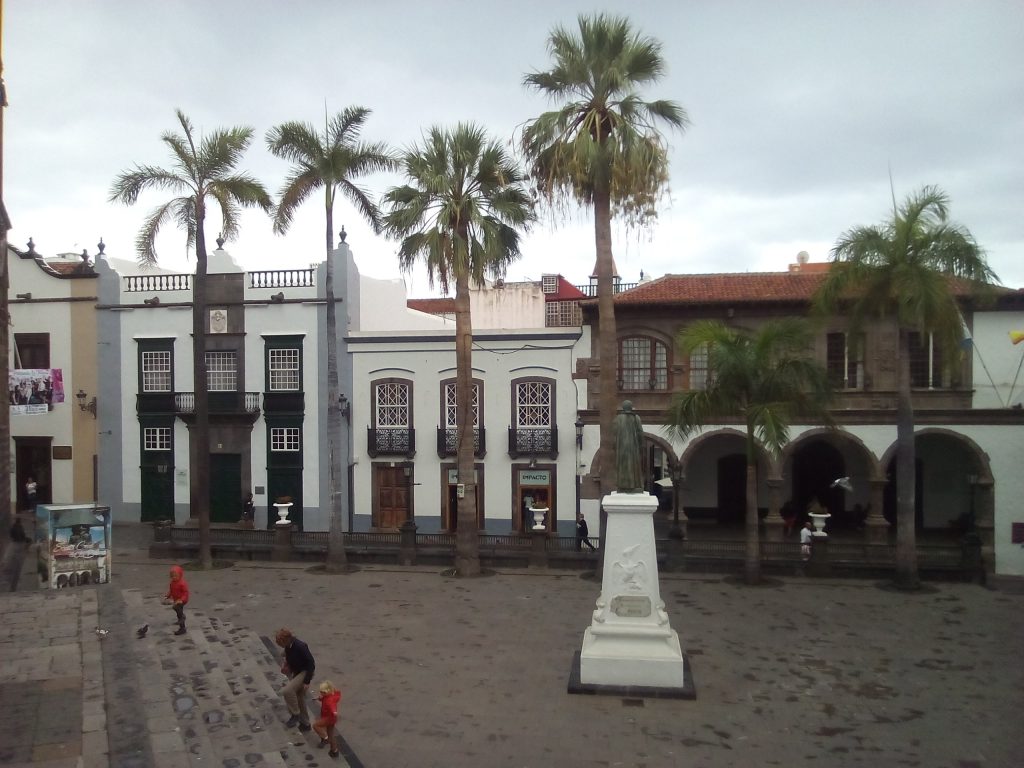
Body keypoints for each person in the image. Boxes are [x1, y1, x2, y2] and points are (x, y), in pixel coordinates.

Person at [275, 628, 315, 731]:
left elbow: (311, 663)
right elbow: (287, 655)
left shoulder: (300, 646)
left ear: (287, 639)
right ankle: (305, 723)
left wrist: (307, 681)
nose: (280, 645)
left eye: (280, 643)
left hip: (305, 672)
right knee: (299, 697)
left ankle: (295, 714)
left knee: (288, 691)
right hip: (297, 672)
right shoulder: (288, 646)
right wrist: (285, 665)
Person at [612, 401, 645, 493]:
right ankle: (635, 485)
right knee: (633, 465)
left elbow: (613, 434)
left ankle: (623, 486)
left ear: (623, 407)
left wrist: (615, 446)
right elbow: (640, 433)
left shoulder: (617, 419)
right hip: (633, 447)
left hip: (621, 448)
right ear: (631, 407)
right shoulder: (636, 418)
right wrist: (641, 445)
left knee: (623, 466)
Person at [313, 680, 342, 758]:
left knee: (316, 725)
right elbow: (324, 698)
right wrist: (320, 698)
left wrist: (334, 712)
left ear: (327, 692)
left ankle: (325, 738)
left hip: (328, 718)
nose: (321, 693)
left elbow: (332, 706)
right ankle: (334, 751)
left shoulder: (329, 700)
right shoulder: (329, 695)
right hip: (331, 719)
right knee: (331, 734)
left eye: (322, 692)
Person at [165, 564, 190, 635]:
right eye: (172, 576)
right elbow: (171, 590)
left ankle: (182, 618)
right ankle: (182, 627)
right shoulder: (172, 583)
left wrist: (181, 600)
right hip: (176, 600)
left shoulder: (182, 583)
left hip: (182, 600)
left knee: (176, 607)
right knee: (178, 612)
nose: (174, 577)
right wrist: (168, 595)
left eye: (176, 576)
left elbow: (185, 593)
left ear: (180, 575)